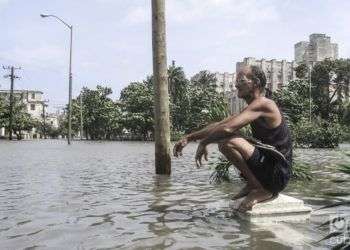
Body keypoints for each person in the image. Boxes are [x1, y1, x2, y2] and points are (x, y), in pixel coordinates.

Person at [173, 65, 293, 212]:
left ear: (255, 83)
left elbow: (227, 129)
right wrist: (189, 137)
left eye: (241, 80)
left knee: (228, 142)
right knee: (227, 140)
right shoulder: (252, 108)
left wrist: (204, 143)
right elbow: (220, 125)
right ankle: (254, 184)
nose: (236, 85)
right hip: (268, 168)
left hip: (278, 173)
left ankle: (261, 189)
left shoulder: (264, 104)